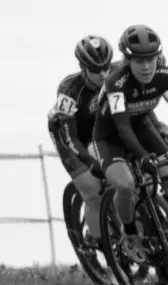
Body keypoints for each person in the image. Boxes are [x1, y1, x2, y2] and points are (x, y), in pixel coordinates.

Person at [92, 24, 168, 264]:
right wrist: (144, 157)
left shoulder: (166, 75)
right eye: (139, 61)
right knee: (125, 185)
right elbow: (122, 127)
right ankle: (130, 233)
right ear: (127, 61)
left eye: (151, 60)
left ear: (158, 57)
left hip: (142, 127)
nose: (146, 67)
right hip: (110, 138)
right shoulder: (117, 83)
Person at [48, 35, 113, 250]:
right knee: (93, 190)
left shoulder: (115, 74)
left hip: (96, 131)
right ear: (82, 67)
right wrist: (90, 163)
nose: (103, 74)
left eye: (106, 67)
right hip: (69, 136)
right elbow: (70, 138)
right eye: (96, 70)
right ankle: (98, 240)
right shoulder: (69, 90)